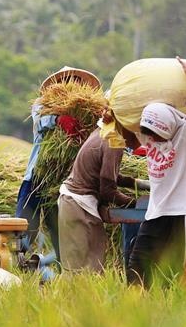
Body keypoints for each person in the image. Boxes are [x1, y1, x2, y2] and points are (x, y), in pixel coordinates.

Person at [126, 57, 186, 288]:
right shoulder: (150, 138)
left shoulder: (184, 136)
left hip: (183, 213)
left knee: (180, 279)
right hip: (157, 213)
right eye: (148, 133)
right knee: (137, 268)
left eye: (155, 133)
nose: (151, 139)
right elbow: (131, 137)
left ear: (169, 127)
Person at [15, 66, 100, 262]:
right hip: (39, 175)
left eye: (76, 81)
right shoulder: (42, 106)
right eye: (67, 81)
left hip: (66, 180)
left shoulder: (86, 111)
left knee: (62, 229)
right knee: (25, 225)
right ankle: (16, 265)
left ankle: (65, 272)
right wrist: (59, 119)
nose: (71, 85)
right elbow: (40, 122)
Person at [57, 125, 148, 273]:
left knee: (89, 266)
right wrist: (136, 203)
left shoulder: (104, 130)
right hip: (78, 207)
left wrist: (135, 183)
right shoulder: (115, 141)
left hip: (74, 203)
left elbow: (103, 173)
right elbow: (108, 190)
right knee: (81, 270)